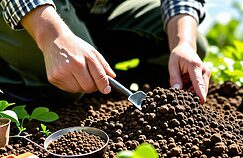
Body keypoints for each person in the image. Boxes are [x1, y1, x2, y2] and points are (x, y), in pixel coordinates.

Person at [0, 0, 210, 104]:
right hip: (40, 9)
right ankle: (10, 76)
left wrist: (184, 44)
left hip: (104, 9)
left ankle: (107, 70)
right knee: (67, 84)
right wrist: (52, 36)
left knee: (191, 44)